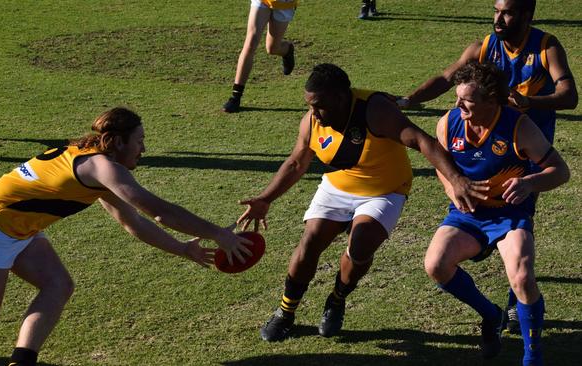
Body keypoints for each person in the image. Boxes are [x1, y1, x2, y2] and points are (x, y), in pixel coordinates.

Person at [0, 107, 253, 366]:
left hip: (20, 226)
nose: (144, 148)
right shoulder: (103, 168)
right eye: (139, 140)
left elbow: (135, 224)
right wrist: (218, 234)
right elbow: (158, 210)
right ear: (117, 142)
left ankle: (22, 360)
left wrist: (183, 249)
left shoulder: (95, 163)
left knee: (58, 284)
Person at [237, 63, 488, 342]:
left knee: (361, 243)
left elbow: (420, 140)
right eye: (310, 105)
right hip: (340, 184)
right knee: (310, 241)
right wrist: (265, 199)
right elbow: (297, 163)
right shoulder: (312, 121)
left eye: (319, 105)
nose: (314, 113)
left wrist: (455, 178)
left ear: (342, 97)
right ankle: (285, 312)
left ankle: (337, 298)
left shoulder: (375, 110)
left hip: (385, 189)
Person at [397, 0, 577, 333]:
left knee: (519, 214)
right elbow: (446, 78)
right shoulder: (483, 48)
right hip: (485, 143)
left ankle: (516, 298)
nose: (498, 18)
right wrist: (409, 100)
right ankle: (495, 273)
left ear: (527, 15)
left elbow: (570, 95)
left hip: (526, 151)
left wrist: (532, 103)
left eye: (507, 11)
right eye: (496, 10)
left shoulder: (546, 47)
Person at [425, 62, 569, 365]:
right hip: (468, 215)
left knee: (522, 277)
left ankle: (533, 357)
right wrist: (454, 190)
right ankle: (491, 315)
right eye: (457, 97)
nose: (458, 104)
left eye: (467, 100)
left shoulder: (519, 127)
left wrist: (530, 183)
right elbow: (442, 163)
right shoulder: (449, 122)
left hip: (509, 215)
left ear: (492, 100)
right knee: (436, 265)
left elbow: (561, 171)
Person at [222, 0, 297, 113]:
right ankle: (235, 97)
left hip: (284, 3)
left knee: (272, 48)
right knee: (251, 41)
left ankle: (286, 50)